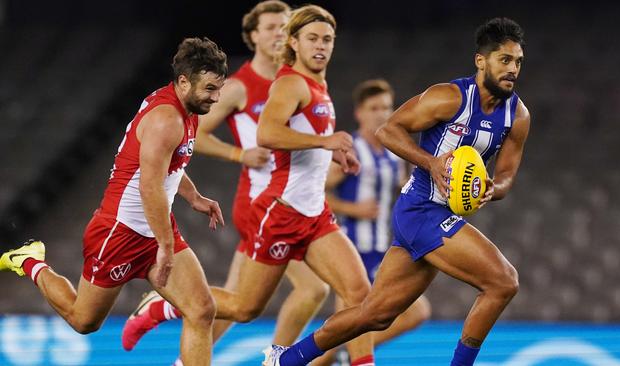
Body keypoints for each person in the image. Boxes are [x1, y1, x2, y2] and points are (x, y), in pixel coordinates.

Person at [265, 17, 530, 366]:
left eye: (518, 62)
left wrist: (491, 189)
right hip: (421, 210)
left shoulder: (518, 115)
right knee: (504, 281)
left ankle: (286, 360)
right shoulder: (449, 97)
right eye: (505, 60)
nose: (513, 69)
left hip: (435, 216)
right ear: (482, 61)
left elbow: (508, 176)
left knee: (374, 315)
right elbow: (389, 131)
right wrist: (431, 163)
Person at [121, 5, 376, 366]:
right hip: (265, 203)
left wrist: (329, 151)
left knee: (252, 303)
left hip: (308, 206)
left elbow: (308, 132)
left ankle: (272, 357)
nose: (278, 33)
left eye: (326, 39)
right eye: (273, 27)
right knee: (277, 297)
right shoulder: (245, 86)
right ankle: (269, 353)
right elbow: (201, 133)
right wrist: (239, 155)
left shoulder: (311, 81)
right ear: (259, 36)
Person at [0, 38, 229, 366]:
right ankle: (28, 261)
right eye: (209, 89)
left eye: (218, 89)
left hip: (154, 229)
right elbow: (150, 187)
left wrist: (193, 196)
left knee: (202, 310)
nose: (215, 98)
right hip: (119, 233)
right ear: (183, 81)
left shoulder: (187, 109)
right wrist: (165, 245)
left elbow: (168, 166)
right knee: (84, 321)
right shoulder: (168, 119)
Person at [312, 79, 432, 366]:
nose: (381, 113)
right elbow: (316, 193)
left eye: (386, 107)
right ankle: (342, 355)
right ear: (359, 113)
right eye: (374, 107)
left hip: (380, 250)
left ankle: (345, 354)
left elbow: (404, 188)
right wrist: (351, 207)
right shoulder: (350, 150)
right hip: (351, 249)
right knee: (342, 330)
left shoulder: (394, 150)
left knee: (416, 312)